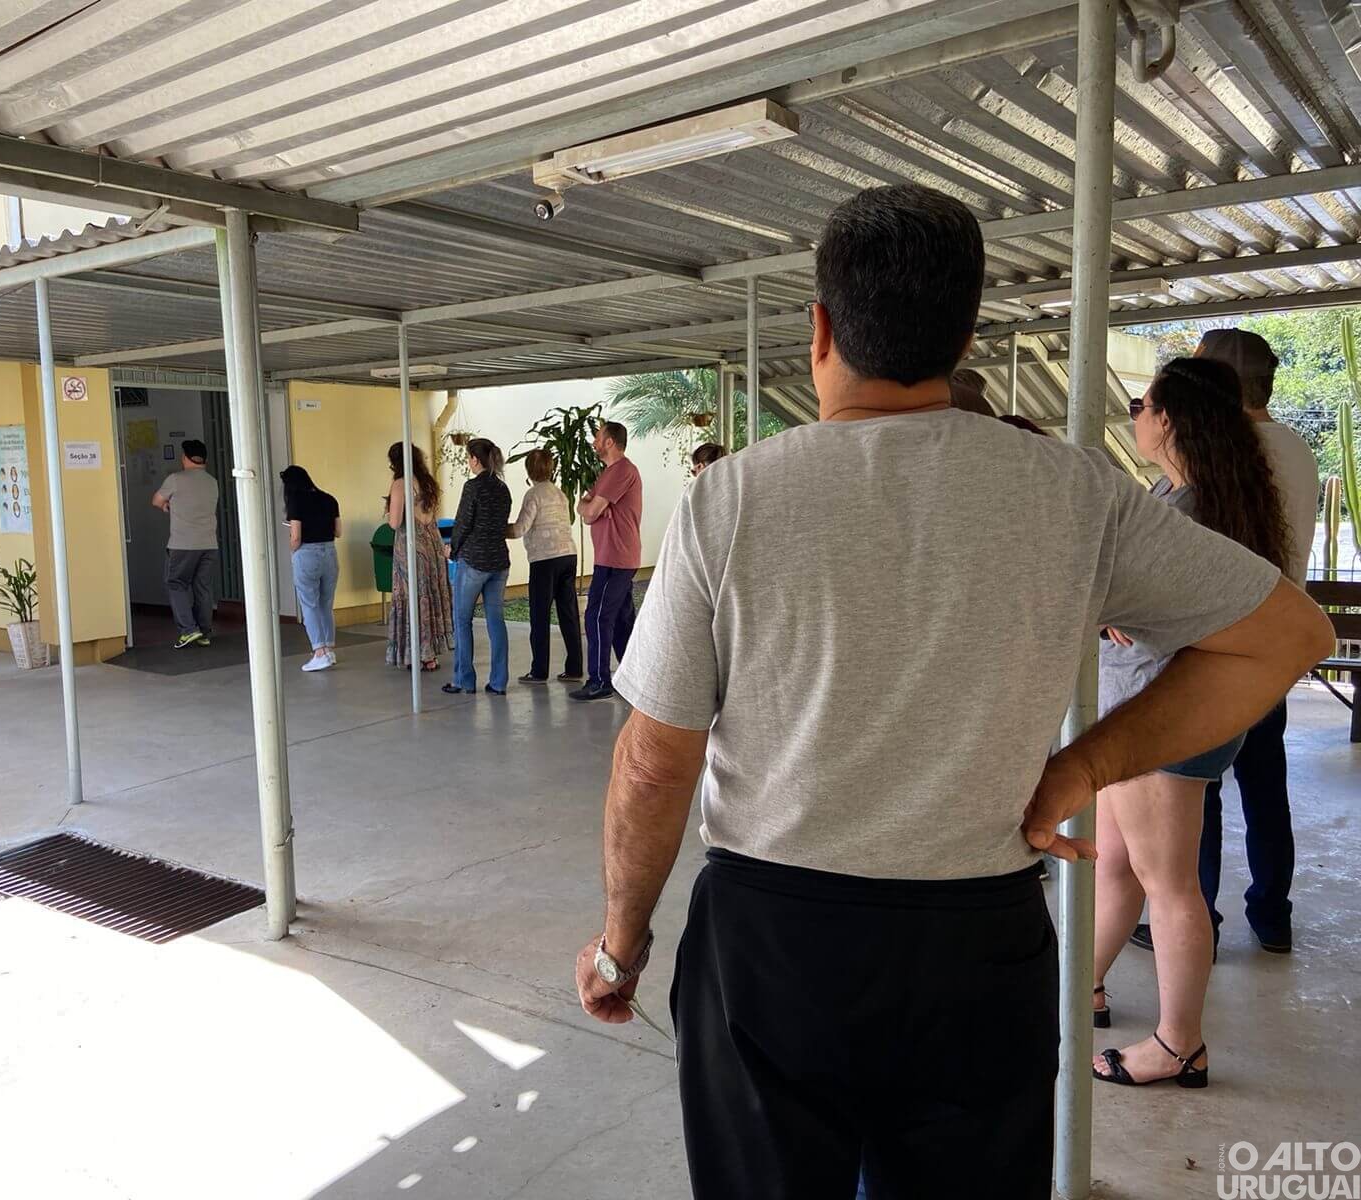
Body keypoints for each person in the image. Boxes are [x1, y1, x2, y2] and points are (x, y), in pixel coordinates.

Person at [569, 184, 1332, 1197]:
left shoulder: (731, 498)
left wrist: (622, 946)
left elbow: (655, 759)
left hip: (776, 937)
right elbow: (1286, 638)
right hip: (980, 938)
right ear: (964, 331)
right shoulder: (1069, 490)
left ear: (819, 329)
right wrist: (1080, 769)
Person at [1090, 358, 1293, 1091]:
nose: (1135, 414)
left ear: (1169, 418)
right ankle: (1085, 986)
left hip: (1164, 715)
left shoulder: (1193, 507)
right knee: (1115, 864)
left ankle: (1180, 1044)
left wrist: (1118, 610)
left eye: (1143, 403)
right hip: (1144, 710)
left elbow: (1184, 612)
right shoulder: (1187, 493)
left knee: (1169, 883)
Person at [1129, 329, 1320, 957]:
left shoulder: (1221, 456)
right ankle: (1273, 915)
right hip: (1275, 640)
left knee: (1195, 797)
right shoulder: (1294, 446)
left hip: (1216, 647)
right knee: (1266, 788)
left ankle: (1193, 918)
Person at [570, 420, 642, 702]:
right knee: (623, 619)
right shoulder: (608, 473)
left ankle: (600, 680)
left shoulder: (621, 470)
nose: (594, 441)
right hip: (612, 556)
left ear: (610, 441)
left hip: (616, 557)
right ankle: (631, 675)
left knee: (597, 616)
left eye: (598, 437)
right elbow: (583, 506)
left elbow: (588, 513)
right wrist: (592, 507)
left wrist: (593, 508)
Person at [506, 448, 583, 684]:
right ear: (551, 468)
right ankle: (574, 668)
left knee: (540, 615)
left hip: (544, 560)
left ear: (529, 470)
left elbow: (520, 529)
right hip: (568, 555)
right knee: (568, 613)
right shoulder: (560, 494)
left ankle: (539, 671)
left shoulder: (533, 495)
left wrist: (496, 529)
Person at [445, 438, 512, 696]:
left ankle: (464, 680)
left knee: (462, 619)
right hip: (499, 562)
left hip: (473, 561)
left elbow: (463, 523)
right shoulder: (502, 489)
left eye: (468, 458)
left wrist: (453, 548)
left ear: (475, 459)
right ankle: (498, 682)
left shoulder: (473, 487)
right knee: (496, 621)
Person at [384, 442, 453, 673]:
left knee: (411, 598)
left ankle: (414, 653)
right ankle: (430, 654)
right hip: (431, 544)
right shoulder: (427, 483)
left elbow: (394, 523)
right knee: (428, 596)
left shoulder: (400, 484)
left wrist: (387, 512)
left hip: (410, 546)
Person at [152, 438, 219, 650]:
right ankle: (204, 633)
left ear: (185, 458)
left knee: (176, 584)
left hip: (182, 544)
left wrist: (168, 505)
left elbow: (156, 500)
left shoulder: (176, 479)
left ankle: (188, 630)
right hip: (209, 543)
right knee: (203, 588)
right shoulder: (211, 481)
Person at [282, 465, 342, 673]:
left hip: (307, 554)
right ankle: (329, 650)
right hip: (330, 553)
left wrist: (291, 552)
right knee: (326, 604)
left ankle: (319, 652)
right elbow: (338, 531)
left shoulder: (295, 501)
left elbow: (296, 537)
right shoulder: (329, 499)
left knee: (309, 605)